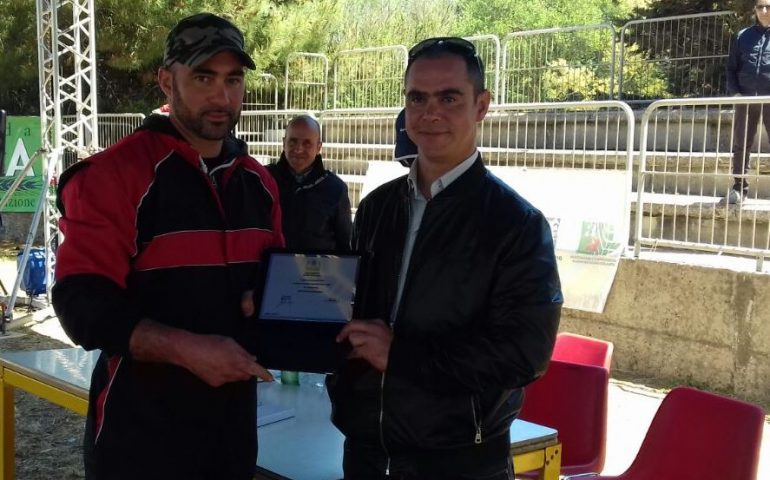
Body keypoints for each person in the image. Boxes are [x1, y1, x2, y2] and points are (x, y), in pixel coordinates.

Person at [51, 13, 283, 480]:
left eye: (233, 79)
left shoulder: (260, 183)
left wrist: (266, 301)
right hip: (139, 441)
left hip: (232, 438)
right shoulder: (114, 176)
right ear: (165, 81)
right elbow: (81, 305)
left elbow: (272, 286)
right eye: (203, 78)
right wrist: (185, 349)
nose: (222, 97)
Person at [327, 37, 563, 480]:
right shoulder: (377, 207)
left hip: (461, 462)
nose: (430, 113)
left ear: (481, 106)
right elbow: (350, 307)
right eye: (417, 98)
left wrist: (402, 356)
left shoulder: (517, 224)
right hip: (366, 454)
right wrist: (280, 308)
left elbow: (525, 354)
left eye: (449, 98)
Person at [267, 115, 352, 251]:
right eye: (293, 141)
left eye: (307, 143)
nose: (298, 149)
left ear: (318, 147)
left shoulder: (335, 189)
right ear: (284, 143)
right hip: (270, 263)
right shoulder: (264, 180)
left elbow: (344, 245)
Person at [723, 1, 770, 205]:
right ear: (755, 10)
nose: (764, 11)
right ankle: (739, 188)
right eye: (760, 7)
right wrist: (735, 93)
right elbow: (731, 68)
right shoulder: (743, 36)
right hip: (746, 99)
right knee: (741, 144)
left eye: (768, 7)